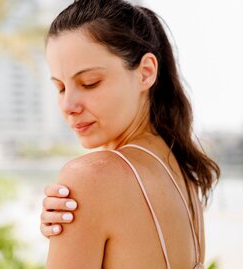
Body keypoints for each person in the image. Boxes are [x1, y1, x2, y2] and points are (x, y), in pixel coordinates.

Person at [41, 0, 220, 268]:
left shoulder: (89, 179)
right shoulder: (183, 173)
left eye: (89, 83)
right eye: (61, 88)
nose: (68, 106)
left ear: (146, 72)